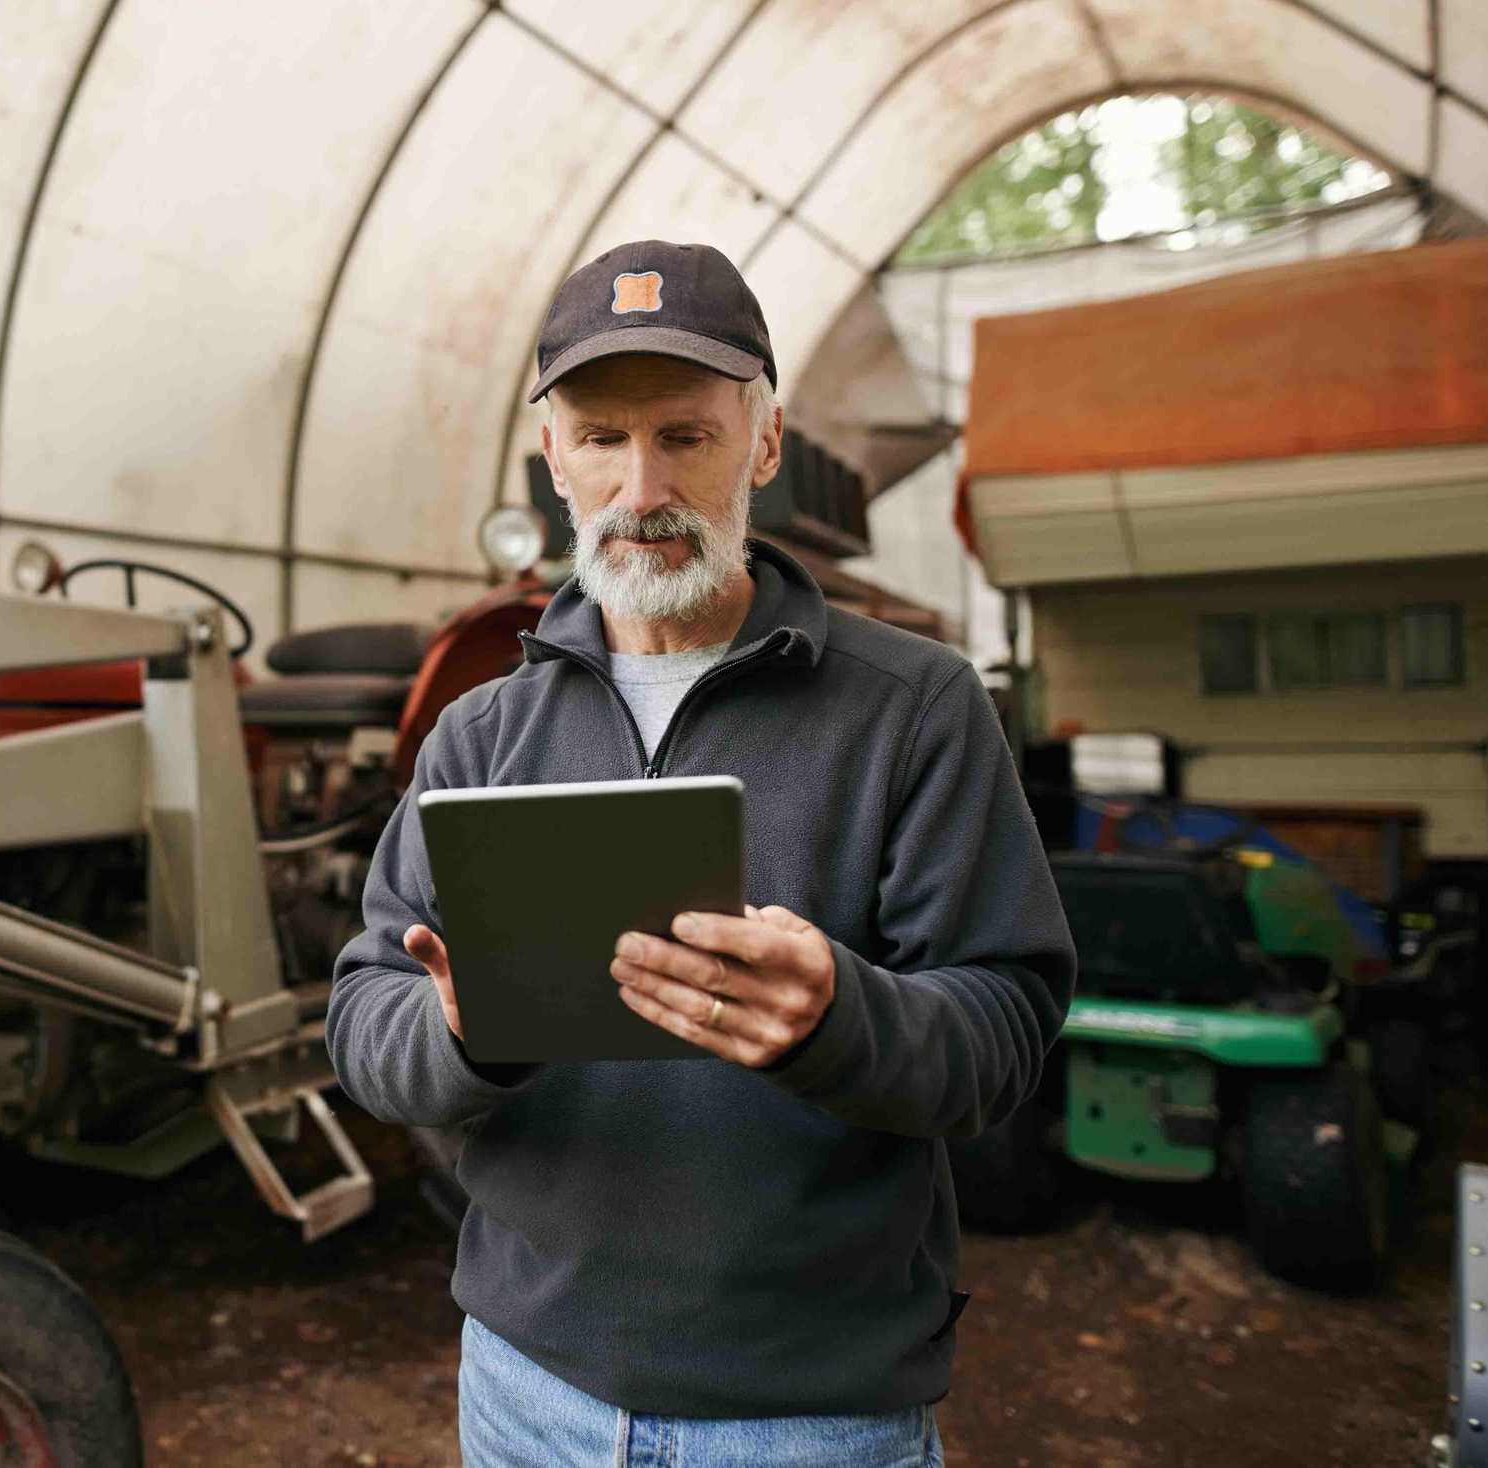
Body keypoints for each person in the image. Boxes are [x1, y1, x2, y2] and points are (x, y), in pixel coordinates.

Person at [324, 239, 1076, 1467]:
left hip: (810, 1411)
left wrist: (841, 1018)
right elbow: (362, 1019)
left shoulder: (914, 707)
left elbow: (1002, 1028)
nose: (640, 487)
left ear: (762, 444)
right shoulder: (480, 730)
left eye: (685, 435)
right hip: (526, 1388)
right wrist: (465, 1036)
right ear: (553, 458)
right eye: (602, 439)